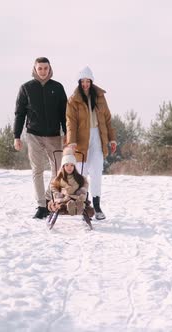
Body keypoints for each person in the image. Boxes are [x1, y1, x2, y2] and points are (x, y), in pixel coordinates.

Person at [14, 57, 67, 219]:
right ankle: (41, 206)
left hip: (54, 136)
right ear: (35, 69)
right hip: (34, 135)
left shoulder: (57, 88)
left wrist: (67, 134)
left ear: (49, 69)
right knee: (37, 170)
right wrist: (17, 136)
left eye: (45, 68)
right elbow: (20, 114)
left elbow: (64, 113)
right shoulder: (26, 88)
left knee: (58, 171)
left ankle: (47, 198)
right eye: (40, 68)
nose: (43, 71)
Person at [65, 66, 117, 220]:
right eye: (83, 81)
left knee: (97, 173)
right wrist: (71, 141)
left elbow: (107, 118)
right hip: (81, 139)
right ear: (79, 82)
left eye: (88, 81)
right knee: (82, 173)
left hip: (98, 137)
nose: (86, 84)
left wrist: (112, 139)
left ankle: (97, 205)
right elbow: (70, 122)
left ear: (91, 81)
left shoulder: (99, 97)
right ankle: (83, 204)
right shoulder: (73, 100)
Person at [48, 148, 89, 216]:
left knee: (79, 200)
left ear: (74, 167)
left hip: (76, 197)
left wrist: (81, 191)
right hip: (64, 198)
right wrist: (57, 193)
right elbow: (53, 185)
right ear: (63, 166)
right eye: (67, 165)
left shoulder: (79, 178)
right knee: (62, 203)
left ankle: (78, 207)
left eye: (72, 165)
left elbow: (85, 184)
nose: (69, 167)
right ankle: (71, 206)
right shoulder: (59, 178)